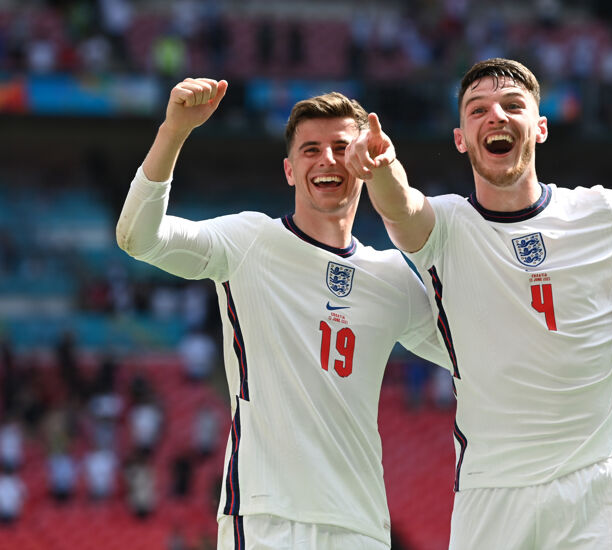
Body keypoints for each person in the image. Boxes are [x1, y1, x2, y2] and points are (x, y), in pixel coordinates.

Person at [345, 58, 612, 549]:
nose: (496, 116)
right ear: (460, 137)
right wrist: (383, 169)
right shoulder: (444, 226)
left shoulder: (601, 210)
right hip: (490, 489)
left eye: (513, 105)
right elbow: (400, 206)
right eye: (477, 110)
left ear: (540, 128)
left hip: (593, 482)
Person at [116, 78, 448, 549]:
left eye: (340, 147)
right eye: (310, 150)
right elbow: (139, 238)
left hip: (362, 524)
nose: (326, 160)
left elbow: (470, 356)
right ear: (290, 170)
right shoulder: (249, 242)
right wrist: (174, 130)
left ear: (365, 161)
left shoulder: (393, 275)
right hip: (267, 517)